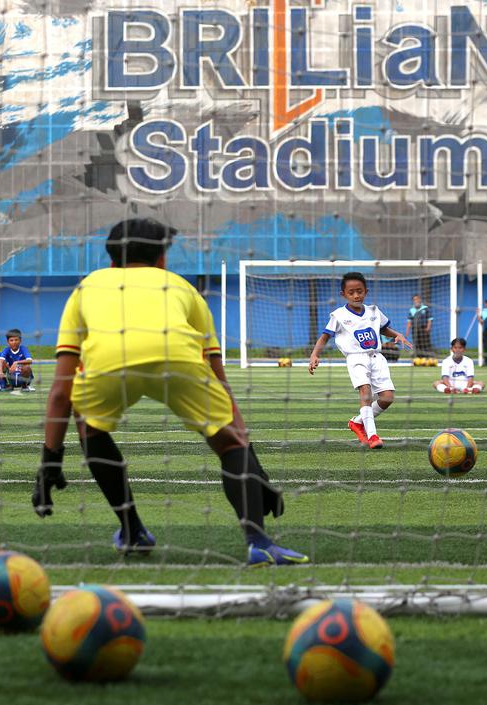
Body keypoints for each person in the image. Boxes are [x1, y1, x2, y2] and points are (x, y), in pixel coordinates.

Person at [34, 217, 304, 567]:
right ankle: (259, 542)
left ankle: (132, 531)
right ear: (162, 257)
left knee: (89, 425)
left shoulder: (87, 286)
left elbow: (60, 391)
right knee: (228, 443)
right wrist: (250, 461)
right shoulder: (181, 287)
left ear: (111, 260)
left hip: (109, 363)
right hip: (177, 357)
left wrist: (50, 460)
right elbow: (220, 380)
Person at [307, 272, 413, 450]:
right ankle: (373, 436)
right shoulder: (339, 315)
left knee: (387, 398)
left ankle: (357, 422)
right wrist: (314, 355)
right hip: (356, 358)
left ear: (366, 291)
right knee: (366, 392)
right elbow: (325, 336)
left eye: (359, 291)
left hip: (377, 358)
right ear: (343, 294)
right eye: (351, 292)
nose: (356, 295)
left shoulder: (374, 311)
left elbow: (383, 329)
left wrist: (398, 334)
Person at [0, 328, 36, 394]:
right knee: (0, 364)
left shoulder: (23, 349)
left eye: (16, 340)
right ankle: (7, 385)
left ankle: (24, 386)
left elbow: (30, 360)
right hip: (12, 377)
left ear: (20, 341)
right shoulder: (6, 350)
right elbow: (1, 360)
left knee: (27, 367)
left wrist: (16, 362)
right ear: (8, 342)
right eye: (11, 340)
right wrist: (0, 372)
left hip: (23, 377)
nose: (14, 342)